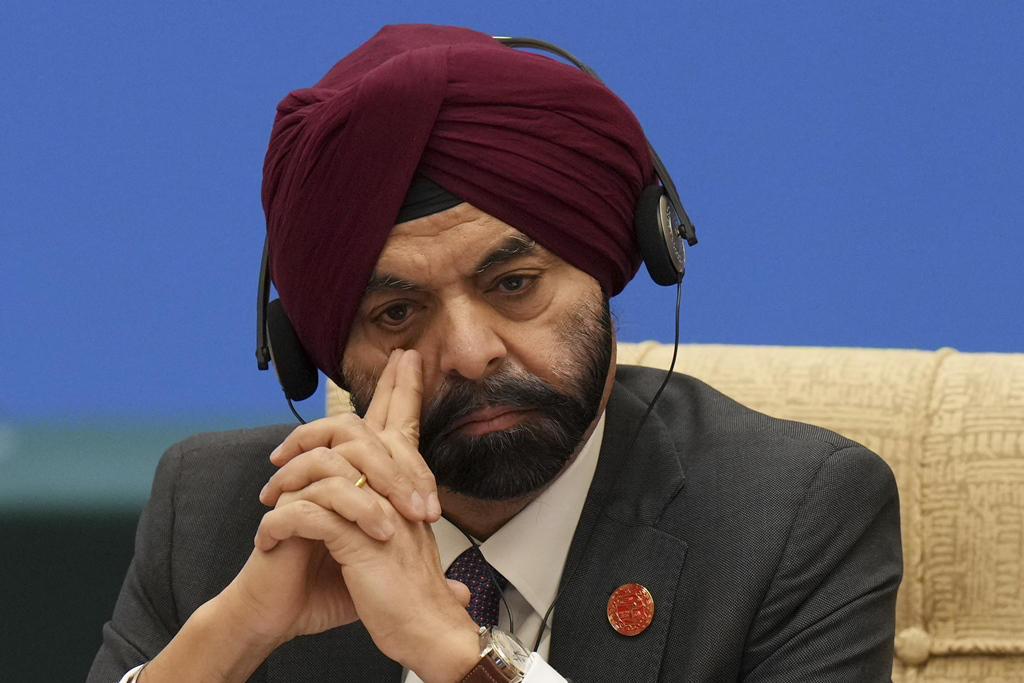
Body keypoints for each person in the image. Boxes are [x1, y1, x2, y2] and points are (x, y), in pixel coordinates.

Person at [88, 24, 902, 683]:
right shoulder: (221, 512)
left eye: (514, 285)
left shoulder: (791, 520)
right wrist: (232, 636)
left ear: (612, 268)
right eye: (398, 312)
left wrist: (458, 652)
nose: (471, 354)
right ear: (321, 354)